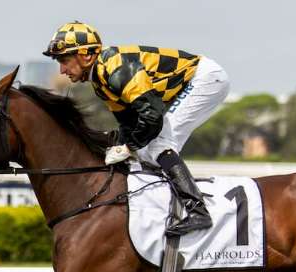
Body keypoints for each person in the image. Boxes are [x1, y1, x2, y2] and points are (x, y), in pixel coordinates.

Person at [43, 21, 230, 236]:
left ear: (85, 56)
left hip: (205, 79)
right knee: (145, 152)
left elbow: (153, 117)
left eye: (64, 60)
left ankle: (198, 211)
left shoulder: (116, 69)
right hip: (189, 84)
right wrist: (122, 147)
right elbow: (127, 122)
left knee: (160, 144)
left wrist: (128, 147)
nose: (62, 70)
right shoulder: (100, 80)